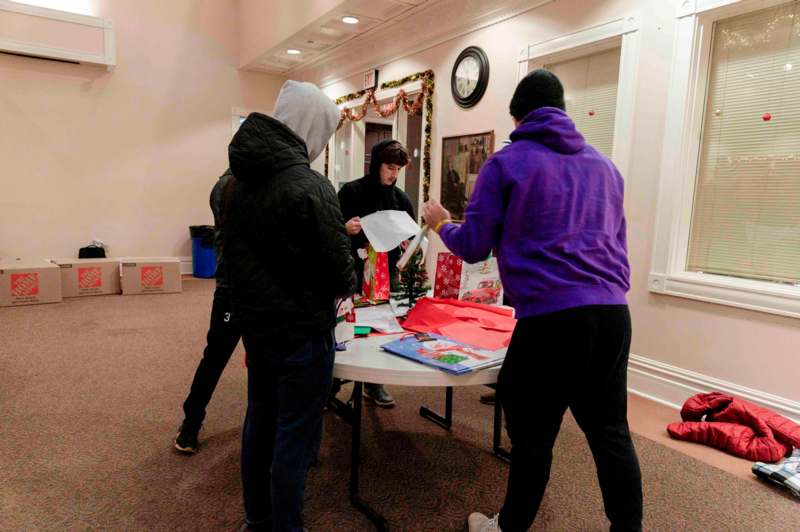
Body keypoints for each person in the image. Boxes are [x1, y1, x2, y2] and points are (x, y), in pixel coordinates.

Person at [423, 69, 643, 532]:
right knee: (610, 434)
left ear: (517, 118)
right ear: (564, 111)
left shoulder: (507, 163)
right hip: (612, 313)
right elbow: (618, 245)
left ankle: (508, 527)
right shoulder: (606, 167)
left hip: (551, 321)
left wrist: (441, 222)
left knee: (533, 437)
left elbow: (475, 246)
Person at [224, 81, 356, 532]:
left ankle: (257, 520)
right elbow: (341, 274)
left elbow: (232, 263)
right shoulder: (311, 186)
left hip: (258, 329)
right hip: (303, 333)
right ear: (311, 127)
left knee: (259, 421)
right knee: (295, 438)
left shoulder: (235, 184)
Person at [336, 140, 414, 408]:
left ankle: (373, 383)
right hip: (353, 270)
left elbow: (411, 237)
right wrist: (344, 229)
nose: (393, 174)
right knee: (348, 327)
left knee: (381, 328)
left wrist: (408, 244)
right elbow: (329, 228)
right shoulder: (351, 191)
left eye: (398, 169)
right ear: (376, 165)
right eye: (389, 167)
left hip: (387, 274)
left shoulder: (400, 198)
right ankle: (333, 380)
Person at [174, 169, 240, 454]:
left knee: (266, 361)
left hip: (262, 290)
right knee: (216, 355)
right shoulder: (226, 186)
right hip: (234, 288)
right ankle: (191, 422)